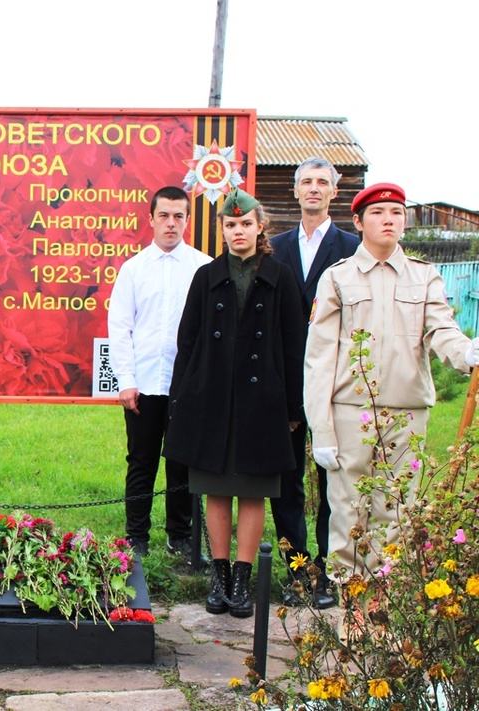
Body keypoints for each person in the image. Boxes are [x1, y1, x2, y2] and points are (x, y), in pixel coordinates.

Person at [304, 182, 477, 580]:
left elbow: (440, 330)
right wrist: (323, 429)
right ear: (359, 221)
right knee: (348, 516)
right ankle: (350, 621)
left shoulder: (424, 276)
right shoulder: (337, 278)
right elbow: (319, 359)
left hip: (406, 414)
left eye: (396, 213)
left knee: (397, 511)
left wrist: (465, 353)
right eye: (379, 213)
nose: (388, 220)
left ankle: (386, 621)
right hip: (350, 414)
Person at [164, 188, 306, 618]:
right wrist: (180, 400)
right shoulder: (206, 277)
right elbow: (186, 342)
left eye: (245, 223)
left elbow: (293, 345)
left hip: (262, 403)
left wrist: (293, 409)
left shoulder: (280, 276)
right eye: (230, 225)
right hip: (212, 401)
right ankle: (219, 576)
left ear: (260, 226)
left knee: (252, 492)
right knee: (216, 491)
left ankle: (243, 579)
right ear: (222, 230)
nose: (238, 231)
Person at [269, 158, 359, 609]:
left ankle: (329, 566)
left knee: (331, 479)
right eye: (306, 181)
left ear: (334, 193)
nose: (314, 189)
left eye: (322, 182)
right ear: (295, 190)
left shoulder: (351, 246)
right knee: (286, 477)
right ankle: (299, 570)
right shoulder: (276, 246)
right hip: (286, 377)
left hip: (334, 379)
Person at [107, 186, 211, 559]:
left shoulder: (203, 267)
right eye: (164, 216)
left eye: (178, 216)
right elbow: (120, 328)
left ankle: (180, 535)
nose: (171, 223)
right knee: (142, 461)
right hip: (144, 385)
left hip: (187, 386)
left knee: (181, 463)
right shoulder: (133, 269)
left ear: (187, 220)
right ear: (150, 219)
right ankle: (136, 537)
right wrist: (126, 382)